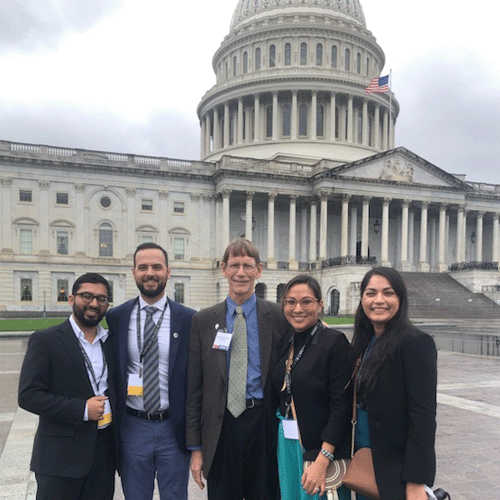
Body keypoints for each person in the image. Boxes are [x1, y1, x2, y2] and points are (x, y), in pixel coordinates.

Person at [186, 238, 289, 500]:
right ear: (223, 269)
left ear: (259, 270)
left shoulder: (278, 316)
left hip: (263, 423)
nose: (240, 272)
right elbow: (194, 388)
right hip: (221, 427)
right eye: (234, 265)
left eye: (247, 265)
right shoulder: (203, 321)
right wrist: (196, 448)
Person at [106, 242, 195, 500]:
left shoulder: (188, 319)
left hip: (172, 426)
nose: (150, 273)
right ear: (133, 272)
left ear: (168, 272)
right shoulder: (117, 317)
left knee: (175, 495)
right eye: (143, 267)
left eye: (157, 266)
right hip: (133, 426)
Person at [18, 273, 116, 500]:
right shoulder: (46, 340)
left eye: (101, 299)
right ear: (72, 299)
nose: (94, 303)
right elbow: (29, 395)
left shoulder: (110, 342)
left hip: (103, 456)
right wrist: (82, 409)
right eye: (87, 296)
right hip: (59, 459)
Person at [350, 267, 437, 500]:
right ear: (362, 299)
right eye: (371, 293)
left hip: (395, 467)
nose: (379, 300)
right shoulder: (364, 342)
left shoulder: (415, 342)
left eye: (388, 293)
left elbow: (423, 417)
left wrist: (417, 480)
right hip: (364, 461)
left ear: (400, 298)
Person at [271, 275, 352, 500]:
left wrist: (323, 458)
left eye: (306, 301)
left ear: (320, 304)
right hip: (287, 441)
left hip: (318, 448)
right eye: (290, 302)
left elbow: (341, 406)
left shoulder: (334, 342)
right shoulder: (287, 340)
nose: (298, 309)